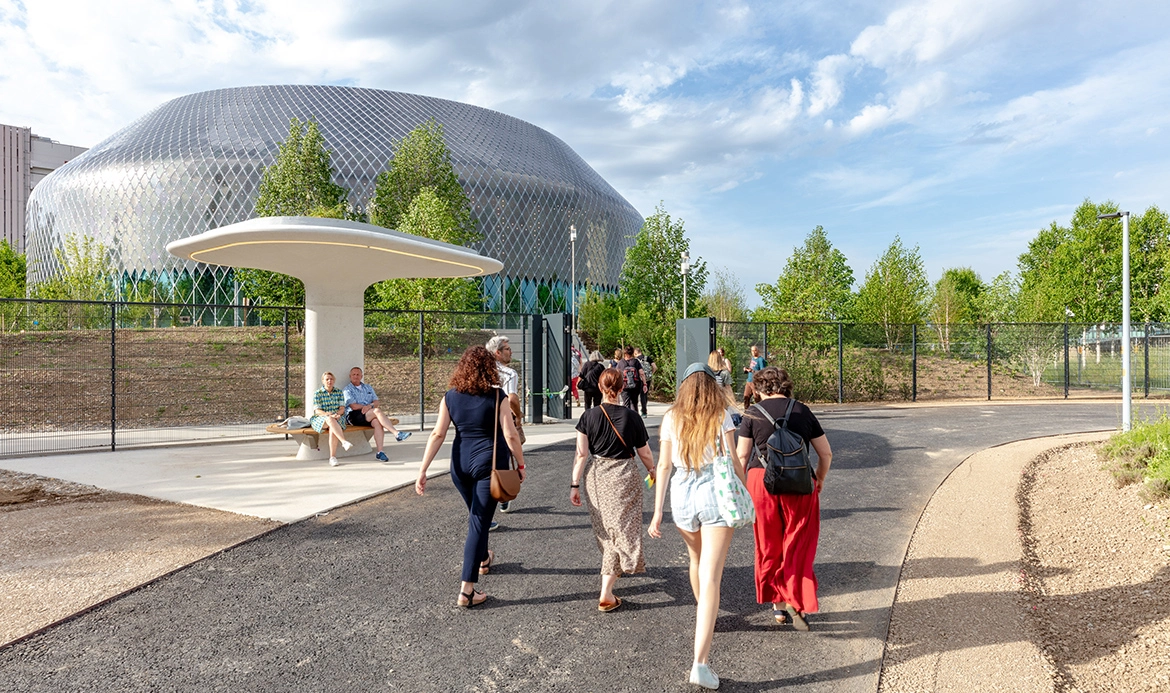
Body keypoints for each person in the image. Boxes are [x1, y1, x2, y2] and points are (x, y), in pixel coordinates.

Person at [649, 363, 744, 690]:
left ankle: (705, 611)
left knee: (695, 561)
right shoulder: (722, 415)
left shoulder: (671, 417)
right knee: (712, 576)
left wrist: (657, 511)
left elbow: (663, 465)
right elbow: (734, 461)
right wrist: (746, 493)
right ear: (711, 386)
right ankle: (700, 662)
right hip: (714, 492)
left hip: (682, 492)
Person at [415, 346, 526, 607]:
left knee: (479, 515)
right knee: (478, 522)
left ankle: (484, 559)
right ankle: (467, 590)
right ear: (489, 368)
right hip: (488, 467)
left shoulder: (450, 397)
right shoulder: (498, 396)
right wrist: (520, 464)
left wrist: (423, 470)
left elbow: (438, 434)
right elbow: (510, 435)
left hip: (460, 466)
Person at [735, 367, 832, 631]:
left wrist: (743, 489)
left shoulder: (752, 413)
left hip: (760, 481)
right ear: (785, 386)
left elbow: (742, 457)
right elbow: (826, 454)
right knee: (798, 541)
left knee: (768, 543)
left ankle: (777, 606)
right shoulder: (802, 410)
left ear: (758, 388)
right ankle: (796, 600)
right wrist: (819, 479)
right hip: (800, 481)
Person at [570, 368, 655, 611]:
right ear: (621, 388)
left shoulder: (588, 416)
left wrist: (574, 484)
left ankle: (611, 579)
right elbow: (645, 452)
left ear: (599, 387)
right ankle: (606, 592)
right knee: (623, 529)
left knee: (607, 532)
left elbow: (581, 454)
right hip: (624, 477)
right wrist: (652, 471)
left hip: (596, 477)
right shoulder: (632, 417)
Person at [486, 335, 524, 517]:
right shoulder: (509, 373)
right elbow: (513, 398)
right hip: (500, 422)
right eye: (508, 349)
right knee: (501, 459)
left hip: (480, 421)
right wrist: (518, 415)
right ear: (497, 353)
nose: (511, 352)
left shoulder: (480, 371)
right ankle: (502, 497)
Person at [343, 366, 411, 464]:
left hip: (368, 413)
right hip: (354, 415)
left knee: (377, 422)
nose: (356, 376)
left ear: (361, 376)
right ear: (350, 376)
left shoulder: (368, 387)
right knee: (377, 411)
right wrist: (366, 407)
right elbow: (353, 406)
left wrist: (370, 406)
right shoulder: (347, 389)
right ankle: (396, 433)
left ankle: (380, 452)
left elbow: (376, 401)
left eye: (358, 374)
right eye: (353, 374)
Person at [309, 371, 353, 467]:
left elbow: (342, 408)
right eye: (327, 379)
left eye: (331, 379)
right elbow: (317, 410)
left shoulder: (339, 392)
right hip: (321, 418)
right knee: (329, 420)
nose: (329, 381)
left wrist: (336, 414)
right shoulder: (318, 393)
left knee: (333, 427)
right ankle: (343, 441)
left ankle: (332, 457)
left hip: (336, 417)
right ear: (323, 381)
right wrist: (328, 415)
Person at [615, 346, 644, 413]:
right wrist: (645, 384)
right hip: (635, 385)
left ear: (624, 353)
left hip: (624, 386)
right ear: (633, 353)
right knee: (634, 403)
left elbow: (616, 374)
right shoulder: (636, 361)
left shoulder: (621, 362)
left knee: (626, 403)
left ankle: (626, 419)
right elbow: (642, 373)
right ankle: (635, 419)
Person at [633, 346, 656, 416]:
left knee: (639, 395)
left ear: (635, 353)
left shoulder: (636, 360)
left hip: (639, 379)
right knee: (645, 394)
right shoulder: (647, 358)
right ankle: (644, 409)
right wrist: (651, 373)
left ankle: (643, 411)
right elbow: (655, 367)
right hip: (648, 378)